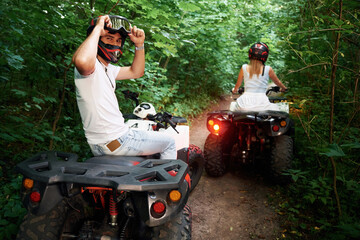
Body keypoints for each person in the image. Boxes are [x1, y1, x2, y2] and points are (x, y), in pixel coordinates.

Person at [72, 15, 176, 159]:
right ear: (97, 39)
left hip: (102, 144)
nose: (115, 44)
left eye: (118, 40)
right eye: (109, 38)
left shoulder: (107, 69)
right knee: (169, 142)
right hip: (117, 141)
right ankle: (169, 181)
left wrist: (139, 45)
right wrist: (97, 28)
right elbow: (81, 60)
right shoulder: (90, 68)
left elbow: (136, 72)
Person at [232, 42, 287, 111]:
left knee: (233, 113)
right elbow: (277, 82)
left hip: (244, 103)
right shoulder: (268, 69)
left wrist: (234, 90)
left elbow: (238, 84)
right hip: (262, 103)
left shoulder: (244, 67)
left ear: (250, 54)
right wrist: (284, 88)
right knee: (278, 111)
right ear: (265, 56)